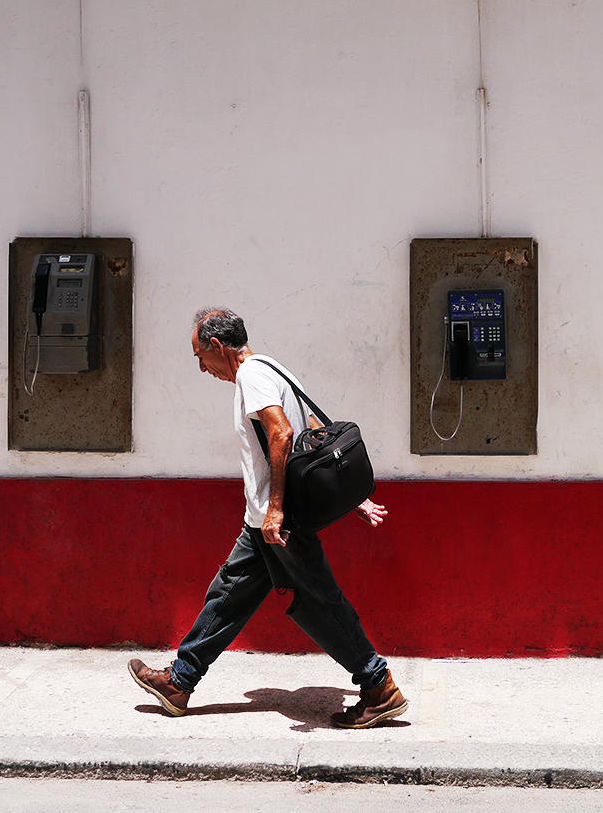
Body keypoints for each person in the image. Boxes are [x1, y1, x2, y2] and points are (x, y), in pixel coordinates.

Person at [128, 307, 406, 729]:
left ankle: (378, 686)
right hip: (262, 520)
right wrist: (351, 500)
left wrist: (275, 507)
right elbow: (314, 434)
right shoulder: (274, 368)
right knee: (228, 596)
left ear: (218, 346)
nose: (203, 369)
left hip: (279, 522)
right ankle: (180, 682)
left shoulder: (252, 375)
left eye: (201, 357)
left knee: (321, 603)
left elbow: (283, 433)